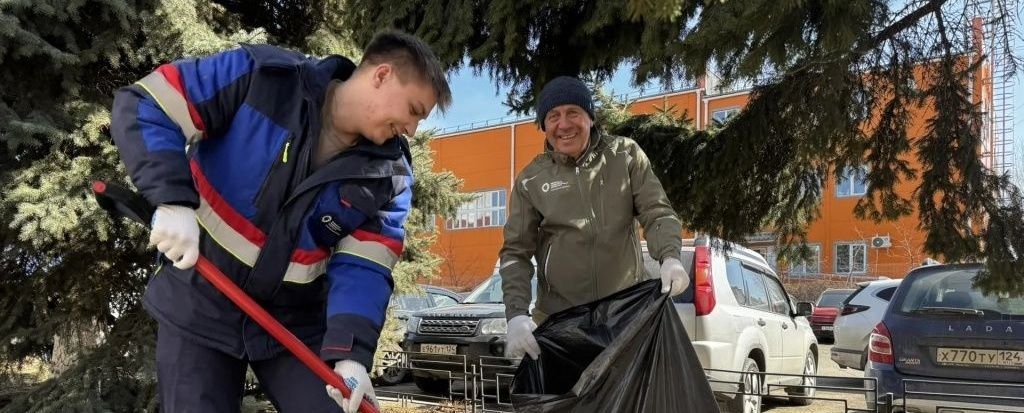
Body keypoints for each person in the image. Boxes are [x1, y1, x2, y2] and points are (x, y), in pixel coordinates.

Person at [110, 30, 451, 413]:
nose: (411, 129)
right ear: (382, 75)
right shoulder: (261, 78)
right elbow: (147, 103)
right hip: (199, 298)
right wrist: (173, 201)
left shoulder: (389, 176)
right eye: (414, 110)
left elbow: (365, 267)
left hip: (294, 325)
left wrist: (351, 354)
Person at [498, 76, 687, 360]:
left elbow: (656, 210)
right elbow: (515, 251)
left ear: (590, 117)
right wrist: (516, 315)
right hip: (560, 323)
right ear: (544, 125)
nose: (563, 125)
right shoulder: (531, 180)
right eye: (553, 116)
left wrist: (670, 256)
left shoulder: (625, 155)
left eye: (573, 112)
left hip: (626, 317)